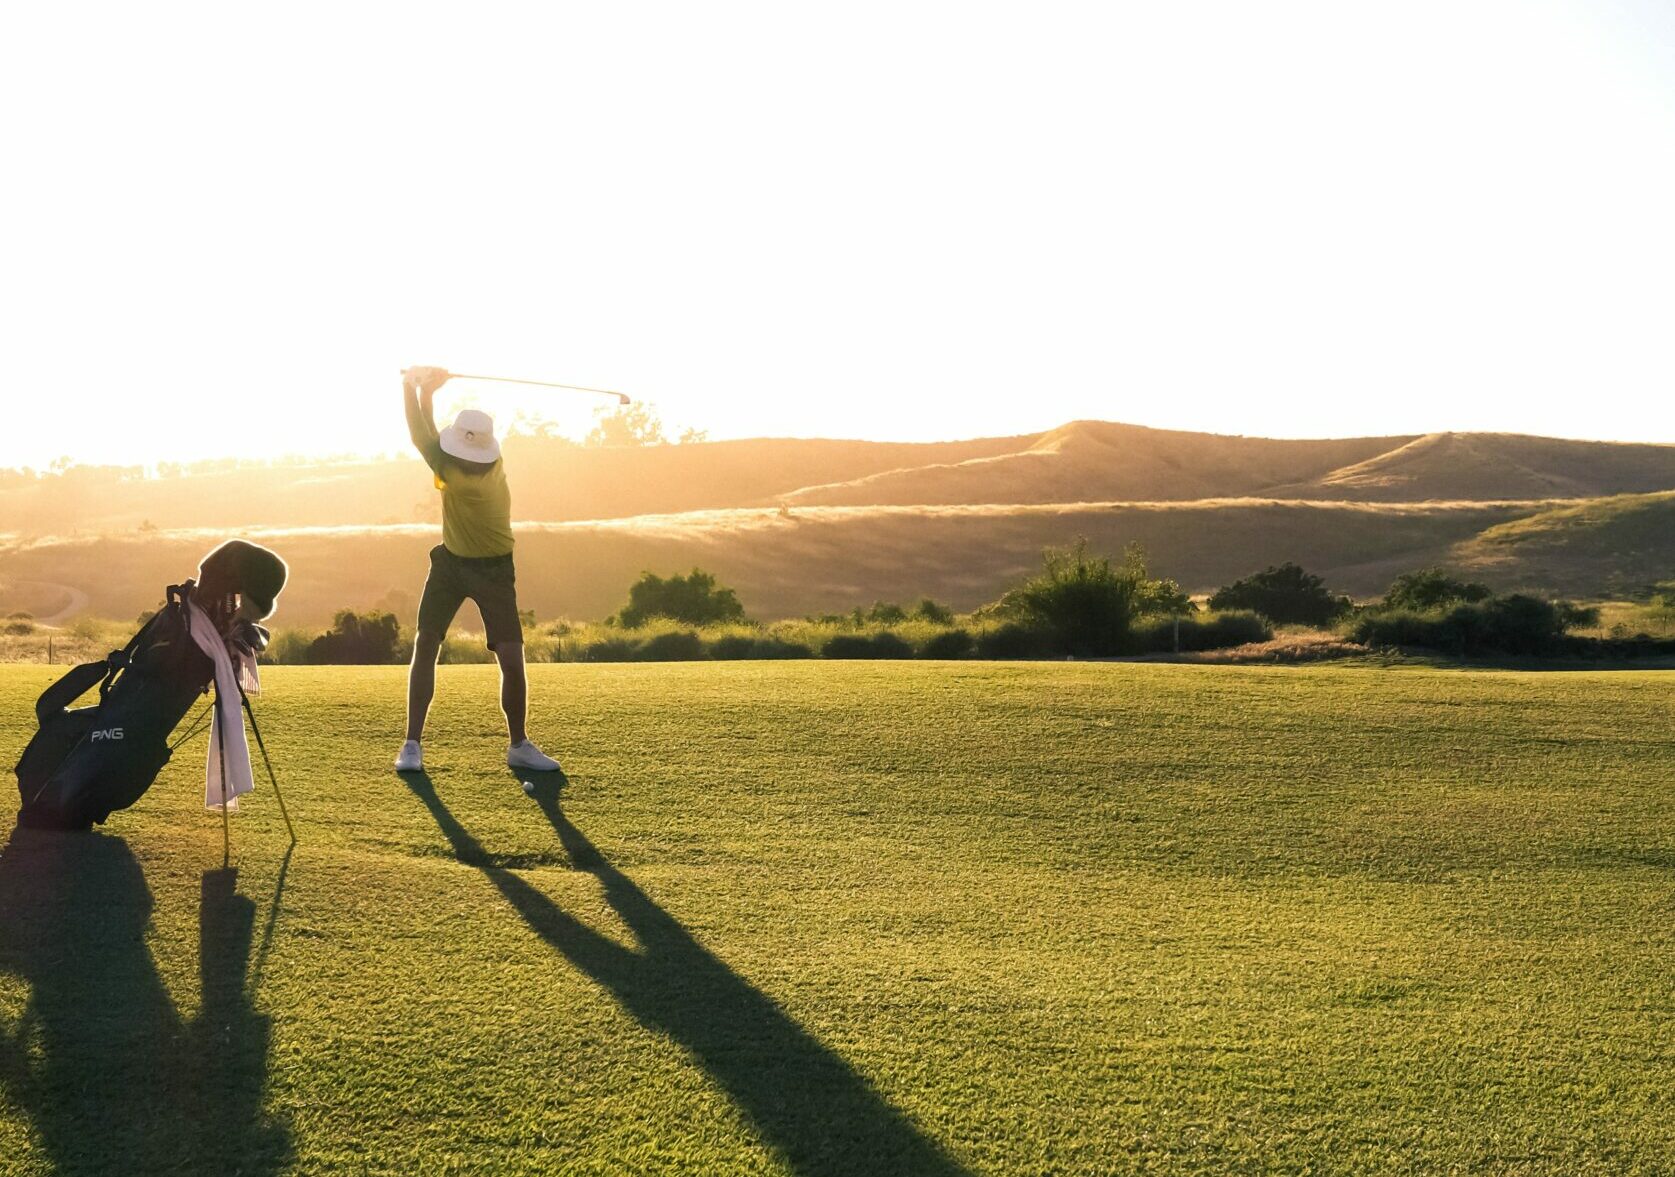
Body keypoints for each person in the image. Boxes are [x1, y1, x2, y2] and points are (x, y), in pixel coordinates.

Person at [394, 366, 561, 775]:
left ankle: (518, 745)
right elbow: (428, 436)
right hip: (451, 563)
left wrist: (414, 386)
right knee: (427, 643)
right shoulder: (484, 459)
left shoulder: (455, 471)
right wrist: (426, 391)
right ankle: (412, 744)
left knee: (509, 657)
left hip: (493, 570)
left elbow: (421, 435)